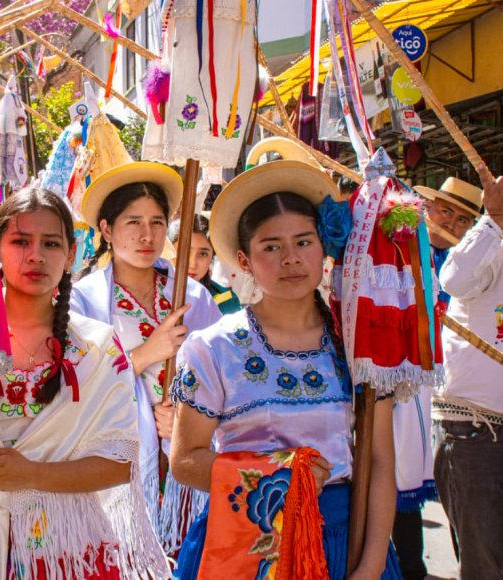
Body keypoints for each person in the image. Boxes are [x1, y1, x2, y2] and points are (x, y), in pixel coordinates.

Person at [0, 188, 168, 578]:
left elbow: (118, 463)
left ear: (72, 254)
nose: (36, 256)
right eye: (20, 241)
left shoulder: (96, 348)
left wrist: (31, 475)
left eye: (51, 243)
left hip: (68, 550)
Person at [169, 161, 401, 579]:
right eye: (271, 247)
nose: (291, 259)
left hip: (342, 539)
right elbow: (185, 460)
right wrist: (281, 473)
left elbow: (381, 461)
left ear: (323, 248)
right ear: (244, 260)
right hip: (246, 541)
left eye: (303, 241)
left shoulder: (358, 344)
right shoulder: (213, 348)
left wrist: (371, 566)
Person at [70, 161, 221, 555]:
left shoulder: (193, 296)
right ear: (106, 229)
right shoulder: (83, 301)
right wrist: (143, 355)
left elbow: (225, 378)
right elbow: (75, 386)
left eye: (157, 222)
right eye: (133, 222)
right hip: (119, 461)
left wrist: (191, 421)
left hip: (184, 461)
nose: (147, 234)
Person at [389, 176, 482, 579]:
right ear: (428, 209)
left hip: (455, 394)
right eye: (446, 211)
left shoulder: (474, 267)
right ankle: (410, 565)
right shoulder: (403, 245)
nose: (454, 224)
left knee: (463, 490)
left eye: (464, 220)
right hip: (403, 384)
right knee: (398, 478)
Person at [433, 164, 503, 578]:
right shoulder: (489, 243)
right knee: (486, 566)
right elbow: (455, 280)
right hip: (476, 432)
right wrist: (493, 221)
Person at [168, 214, 242, 315]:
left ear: (212, 257)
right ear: (168, 250)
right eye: (185, 252)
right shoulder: (146, 294)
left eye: (203, 254)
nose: (193, 264)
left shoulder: (226, 302)